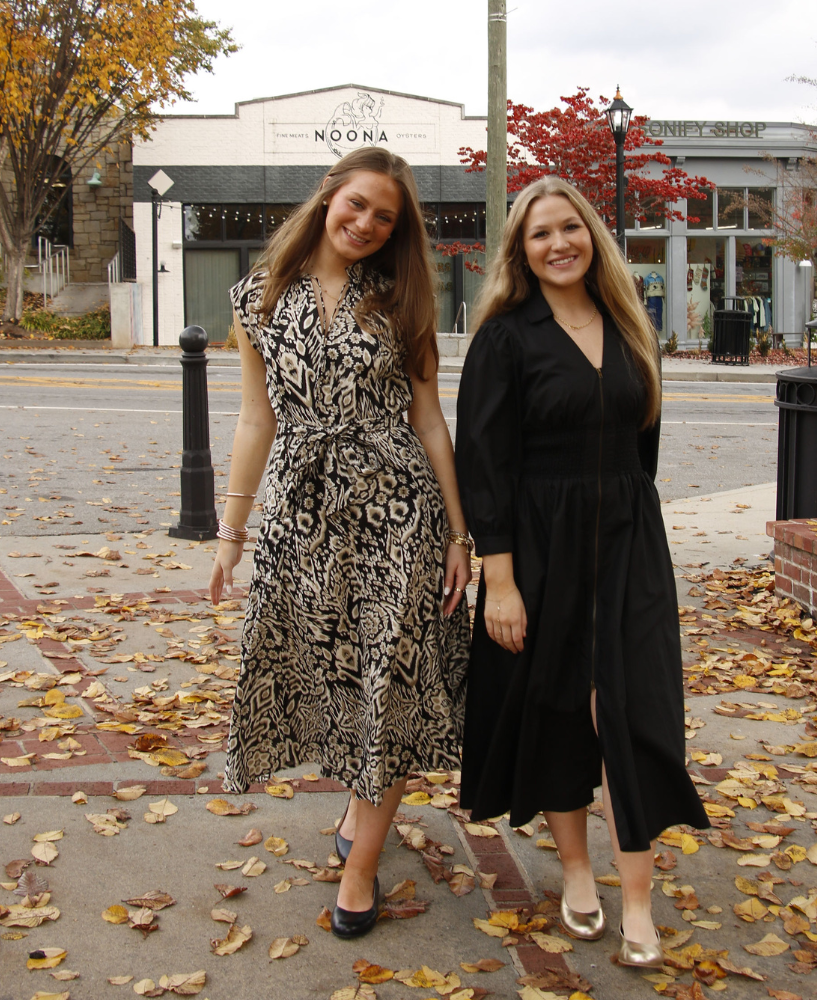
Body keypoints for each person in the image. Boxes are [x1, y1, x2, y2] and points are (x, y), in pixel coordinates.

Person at [209, 147, 471, 940]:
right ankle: (361, 811)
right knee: (334, 673)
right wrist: (231, 532)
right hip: (301, 510)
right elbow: (258, 419)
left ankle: (360, 872)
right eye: (356, 205)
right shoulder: (255, 297)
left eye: (383, 216)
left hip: (397, 510)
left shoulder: (400, 298)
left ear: (397, 229)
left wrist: (461, 534)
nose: (365, 223)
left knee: (387, 678)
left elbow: (428, 420)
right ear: (329, 197)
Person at [455, 176, 710, 967]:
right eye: (540, 234)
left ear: (592, 236)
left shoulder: (631, 327)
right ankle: (574, 870)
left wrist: (632, 525)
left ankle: (637, 897)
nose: (558, 243)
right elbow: (483, 464)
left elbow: (644, 450)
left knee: (635, 712)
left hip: (629, 542)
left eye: (570, 228)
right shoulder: (506, 337)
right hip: (539, 546)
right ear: (520, 252)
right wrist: (500, 579)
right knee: (560, 705)